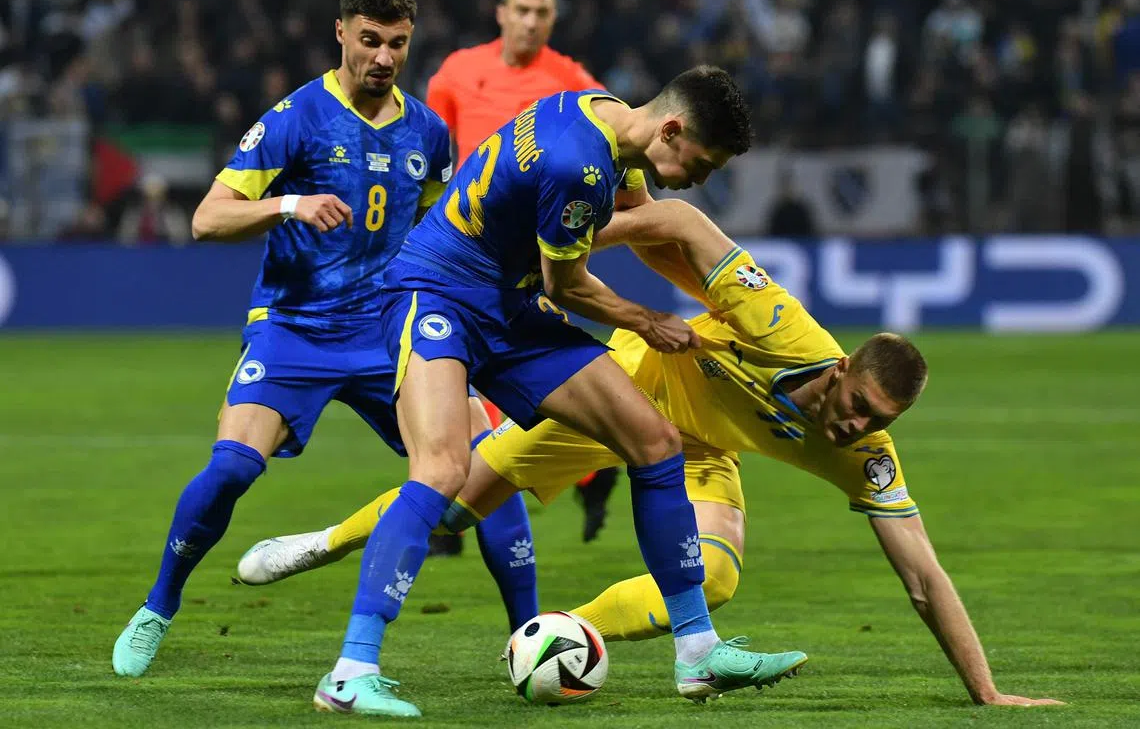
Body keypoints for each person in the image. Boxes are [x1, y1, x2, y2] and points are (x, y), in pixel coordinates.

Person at [239, 199, 1065, 708]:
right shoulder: (780, 326)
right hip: (621, 396)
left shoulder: (867, 457)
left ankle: (564, 632)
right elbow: (678, 222)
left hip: (700, 452)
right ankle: (323, 542)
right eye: (854, 407)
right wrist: (573, 246)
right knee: (449, 504)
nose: (853, 428)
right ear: (842, 367)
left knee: (716, 574)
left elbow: (923, 574)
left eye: (876, 421)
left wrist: (985, 693)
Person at [313, 67, 810, 717]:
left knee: (655, 442)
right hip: (434, 292)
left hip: (509, 306)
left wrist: (726, 289)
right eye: (702, 162)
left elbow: (638, 222)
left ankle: (697, 653)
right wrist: (647, 321)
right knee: (442, 468)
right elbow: (566, 286)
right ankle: (349, 671)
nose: (700, 179)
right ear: (671, 129)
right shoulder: (579, 166)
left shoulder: (600, 114)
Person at [111, 0, 528, 686]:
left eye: (397, 43)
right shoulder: (295, 119)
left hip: (391, 330)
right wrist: (289, 205)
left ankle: (529, 635)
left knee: (488, 467)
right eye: (370, 40)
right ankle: (158, 606)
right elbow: (206, 218)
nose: (384, 56)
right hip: (294, 329)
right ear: (341, 32)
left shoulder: (427, 132)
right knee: (233, 468)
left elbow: (442, 228)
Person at [426, 0, 617, 554]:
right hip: (464, 250)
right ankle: (580, 472)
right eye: (523, 10)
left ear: (552, 21)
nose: (532, 21)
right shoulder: (458, 72)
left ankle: (457, 506)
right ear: (501, 12)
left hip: (532, 256)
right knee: (461, 377)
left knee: (493, 378)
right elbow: (436, 152)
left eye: (543, 13)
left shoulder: (573, 81)